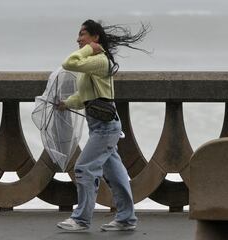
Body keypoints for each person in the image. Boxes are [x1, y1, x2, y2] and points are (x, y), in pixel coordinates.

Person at [56, 19, 149, 231]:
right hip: (101, 126)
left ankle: (81, 219)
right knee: (116, 174)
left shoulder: (99, 60)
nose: (78, 39)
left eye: (82, 34)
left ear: (95, 38)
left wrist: (89, 49)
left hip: (105, 128)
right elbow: (86, 96)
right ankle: (126, 219)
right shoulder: (94, 62)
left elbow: (69, 63)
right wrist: (67, 103)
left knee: (84, 168)